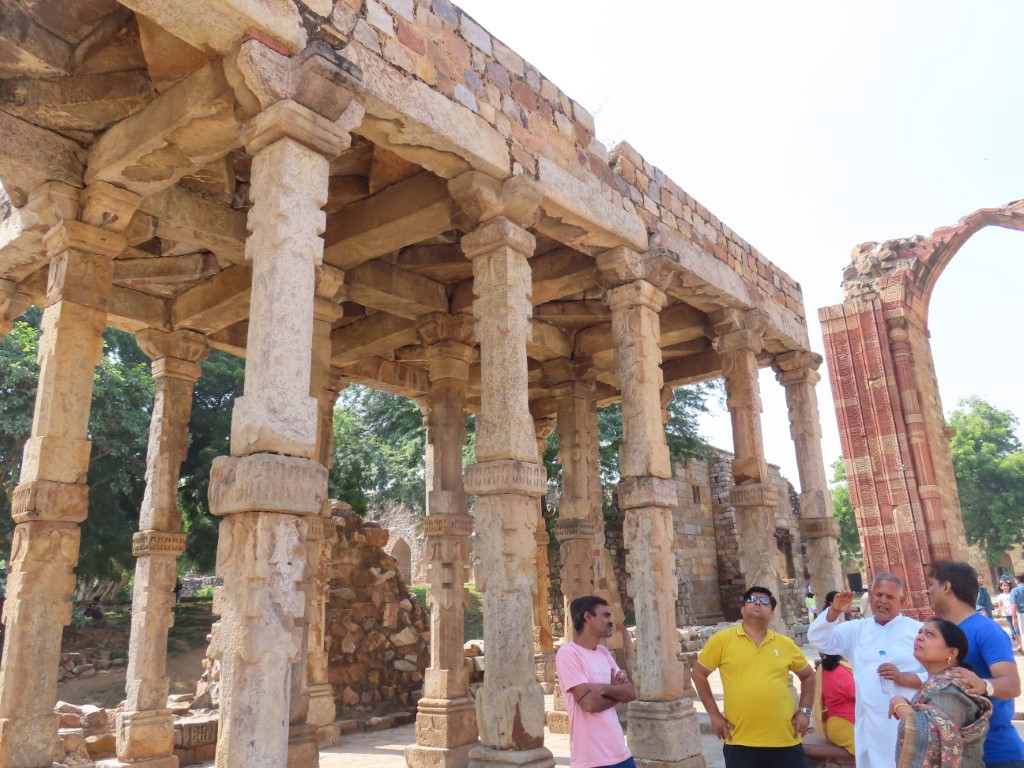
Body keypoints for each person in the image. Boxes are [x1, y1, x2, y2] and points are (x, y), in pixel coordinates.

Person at [808, 573, 925, 768]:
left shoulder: (918, 631)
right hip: (870, 723)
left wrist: (904, 678)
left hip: (908, 721)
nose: (882, 601)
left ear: (902, 600)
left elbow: (938, 674)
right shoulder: (856, 630)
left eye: (889, 597)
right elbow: (819, 640)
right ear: (869, 596)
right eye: (878, 595)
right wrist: (834, 611)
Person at [692, 586, 815, 768]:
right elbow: (698, 673)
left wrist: (805, 711)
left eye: (764, 601)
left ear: (771, 614)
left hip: (785, 739)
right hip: (740, 740)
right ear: (742, 609)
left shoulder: (785, 644)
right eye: (752, 599)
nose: (757, 602)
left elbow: (809, 676)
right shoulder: (721, 640)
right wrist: (714, 714)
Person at [925, 560, 1024, 767]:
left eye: (931, 584)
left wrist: (983, 685)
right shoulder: (946, 632)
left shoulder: (985, 630)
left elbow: (1012, 685)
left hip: (996, 755)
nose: (927, 590)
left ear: (946, 586)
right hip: (961, 756)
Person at [888, 618, 992, 768]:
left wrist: (899, 703)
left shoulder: (950, 688)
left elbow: (931, 738)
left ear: (952, 652)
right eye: (920, 632)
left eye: (930, 634)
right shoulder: (937, 683)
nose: (919, 637)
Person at [554, 595, 637, 768]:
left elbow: (631, 692)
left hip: (621, 753)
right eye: (605, 615)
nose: (611, 621)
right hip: (591, 759)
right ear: (587, 617)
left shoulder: (603, 652)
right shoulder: (568, 654)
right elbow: (589, 704)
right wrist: (616, 692)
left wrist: (601, 688)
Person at [816, 654, 855, 755]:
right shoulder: (841, 671)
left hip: (840, 723)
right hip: (846, 724)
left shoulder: (830, 669)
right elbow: (862, 695)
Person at [993, 579, 1021, 652]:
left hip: (1015, 613)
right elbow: (1000, 606)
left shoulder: (1013, 593)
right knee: (1012, 629)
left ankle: (1021, 643)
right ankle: (1020, 643)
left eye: (1007, 585)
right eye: (1004, 585)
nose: (1006, 587)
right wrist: (1002, 607)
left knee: (1018, 628)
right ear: (1001, 587)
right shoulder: (1000, 596)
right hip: (1007, 614)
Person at [1010, 574, 1024, 641]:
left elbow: (1014, 605)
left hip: (1022, 614)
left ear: (1017, 580)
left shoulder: (1015, 590)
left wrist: (1014, 618)